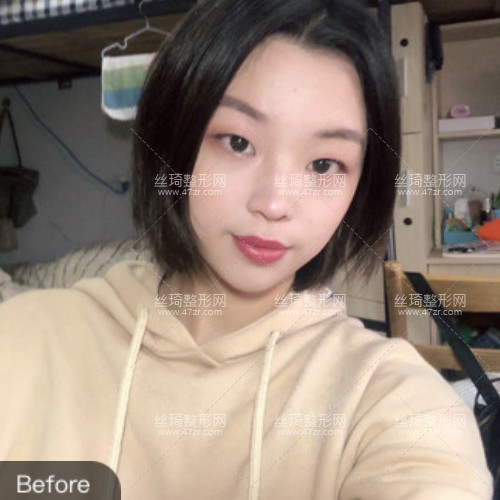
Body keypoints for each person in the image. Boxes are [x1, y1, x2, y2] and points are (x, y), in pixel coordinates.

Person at [0, 0, 493, 498]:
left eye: (324, 165)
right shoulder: (23, 338)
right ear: (171, 142)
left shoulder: (392, 398)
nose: (274, 204)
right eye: (237, 142)